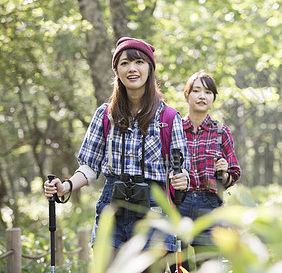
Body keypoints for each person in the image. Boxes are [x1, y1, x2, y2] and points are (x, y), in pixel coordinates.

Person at [43, 37, 190, 271]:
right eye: (124, 63)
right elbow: (90, 167)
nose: (132, 68)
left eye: (139, 62)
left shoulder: (169, 118)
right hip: (113, 205)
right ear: (117, 71)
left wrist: (182, 179)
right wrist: (66, 187)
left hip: (153, 209)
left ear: (150, 68)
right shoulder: (105, 114)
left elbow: (182, 171)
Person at [180, 70, 241, 270]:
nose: (201, 96)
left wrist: (224, 173)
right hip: (178, 204)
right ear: (187, 95)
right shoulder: (175, 128)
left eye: (207, 92)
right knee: (177, 265)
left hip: (210, 206)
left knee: (209, 266)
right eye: (196, 91)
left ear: (213, 98)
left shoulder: (220, 131)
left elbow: (233, 174)